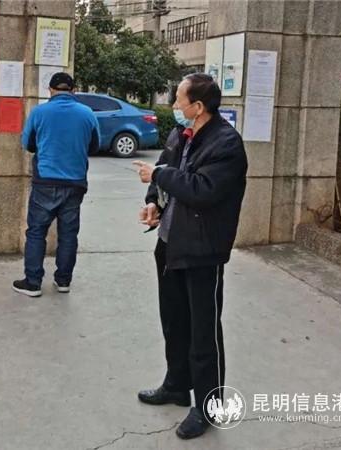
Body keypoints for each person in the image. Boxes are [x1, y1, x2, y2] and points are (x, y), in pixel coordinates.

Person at [132, 73, 248, 439]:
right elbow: (164, 172)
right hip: (170, 244)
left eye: (178, 99)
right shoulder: (180, 134)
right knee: (174, 321)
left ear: (197, 107)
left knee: (203, 333)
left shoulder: (226, 143)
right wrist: (153, 202)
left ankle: (208, 407)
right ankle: (177, 385)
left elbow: (202, 190)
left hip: (202, 251)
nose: (174, 105)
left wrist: (159, 175)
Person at [13, 73, 100, 297]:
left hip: (45, 181)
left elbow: (28, 144)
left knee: (36, 232)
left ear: (50, 90)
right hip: (75, 182)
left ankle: (33, 283)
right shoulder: (87, 113)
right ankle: (63, 281)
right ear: (73, 89)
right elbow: (94, 146)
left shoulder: (39, 112)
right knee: (68, 234)